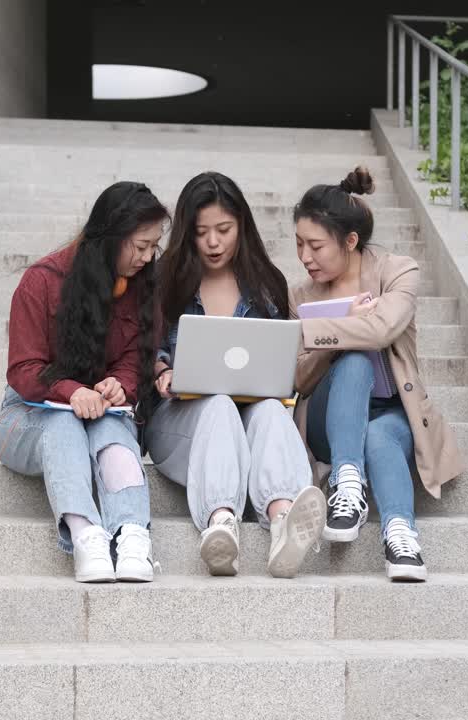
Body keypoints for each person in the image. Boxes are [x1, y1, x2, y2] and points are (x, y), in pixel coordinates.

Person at [145, 172, 325, 578]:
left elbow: (281, 366)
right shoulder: (163, 281)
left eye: (223, 230)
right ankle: (221, 524)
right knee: (219, 404)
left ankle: (283, 521)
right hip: (180, 421)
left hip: (250, 419)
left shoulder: (265, 285)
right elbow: (140, 349)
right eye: (202, 232)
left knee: (271, 411)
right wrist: (162, 369)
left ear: (241, 227)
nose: (213, 242)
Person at [291, 167, 467, 582]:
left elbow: (381, 329)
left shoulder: (397, 271)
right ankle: (346, 484)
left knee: (379, 435)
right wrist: (342, 328)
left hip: (393, 413)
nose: (304, 257)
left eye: (315, 246)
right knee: (351, 362)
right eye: (299, 244)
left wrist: (314, 330)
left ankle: (400, 536)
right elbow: (298, 378)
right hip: (326, 418)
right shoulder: (299, 294)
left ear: (350, 241)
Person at [0, 181, 167, 583]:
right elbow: (23, 369)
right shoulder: (42, 281)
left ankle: (131, 533)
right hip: (27, 414)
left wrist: (119, 384)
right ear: (108, 237)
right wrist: (73, 392)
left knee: (114, 429)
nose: (146, 257)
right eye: (138, 246)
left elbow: (134, 356)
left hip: (105, 411)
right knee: (65, 422)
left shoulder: (143, 286)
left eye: (153, 246)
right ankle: (86, 533)